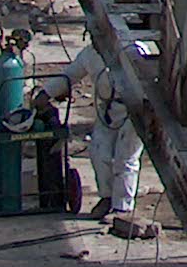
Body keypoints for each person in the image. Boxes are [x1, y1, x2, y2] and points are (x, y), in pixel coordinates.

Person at [43, 27, 140, 217]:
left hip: (131, 112)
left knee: (125, 159)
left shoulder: (134, 51)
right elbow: (69, 75)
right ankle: (106, 197)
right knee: (99, 152)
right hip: (107, 112)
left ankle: (122, 207)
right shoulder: (90, 55)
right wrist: (45, 93)